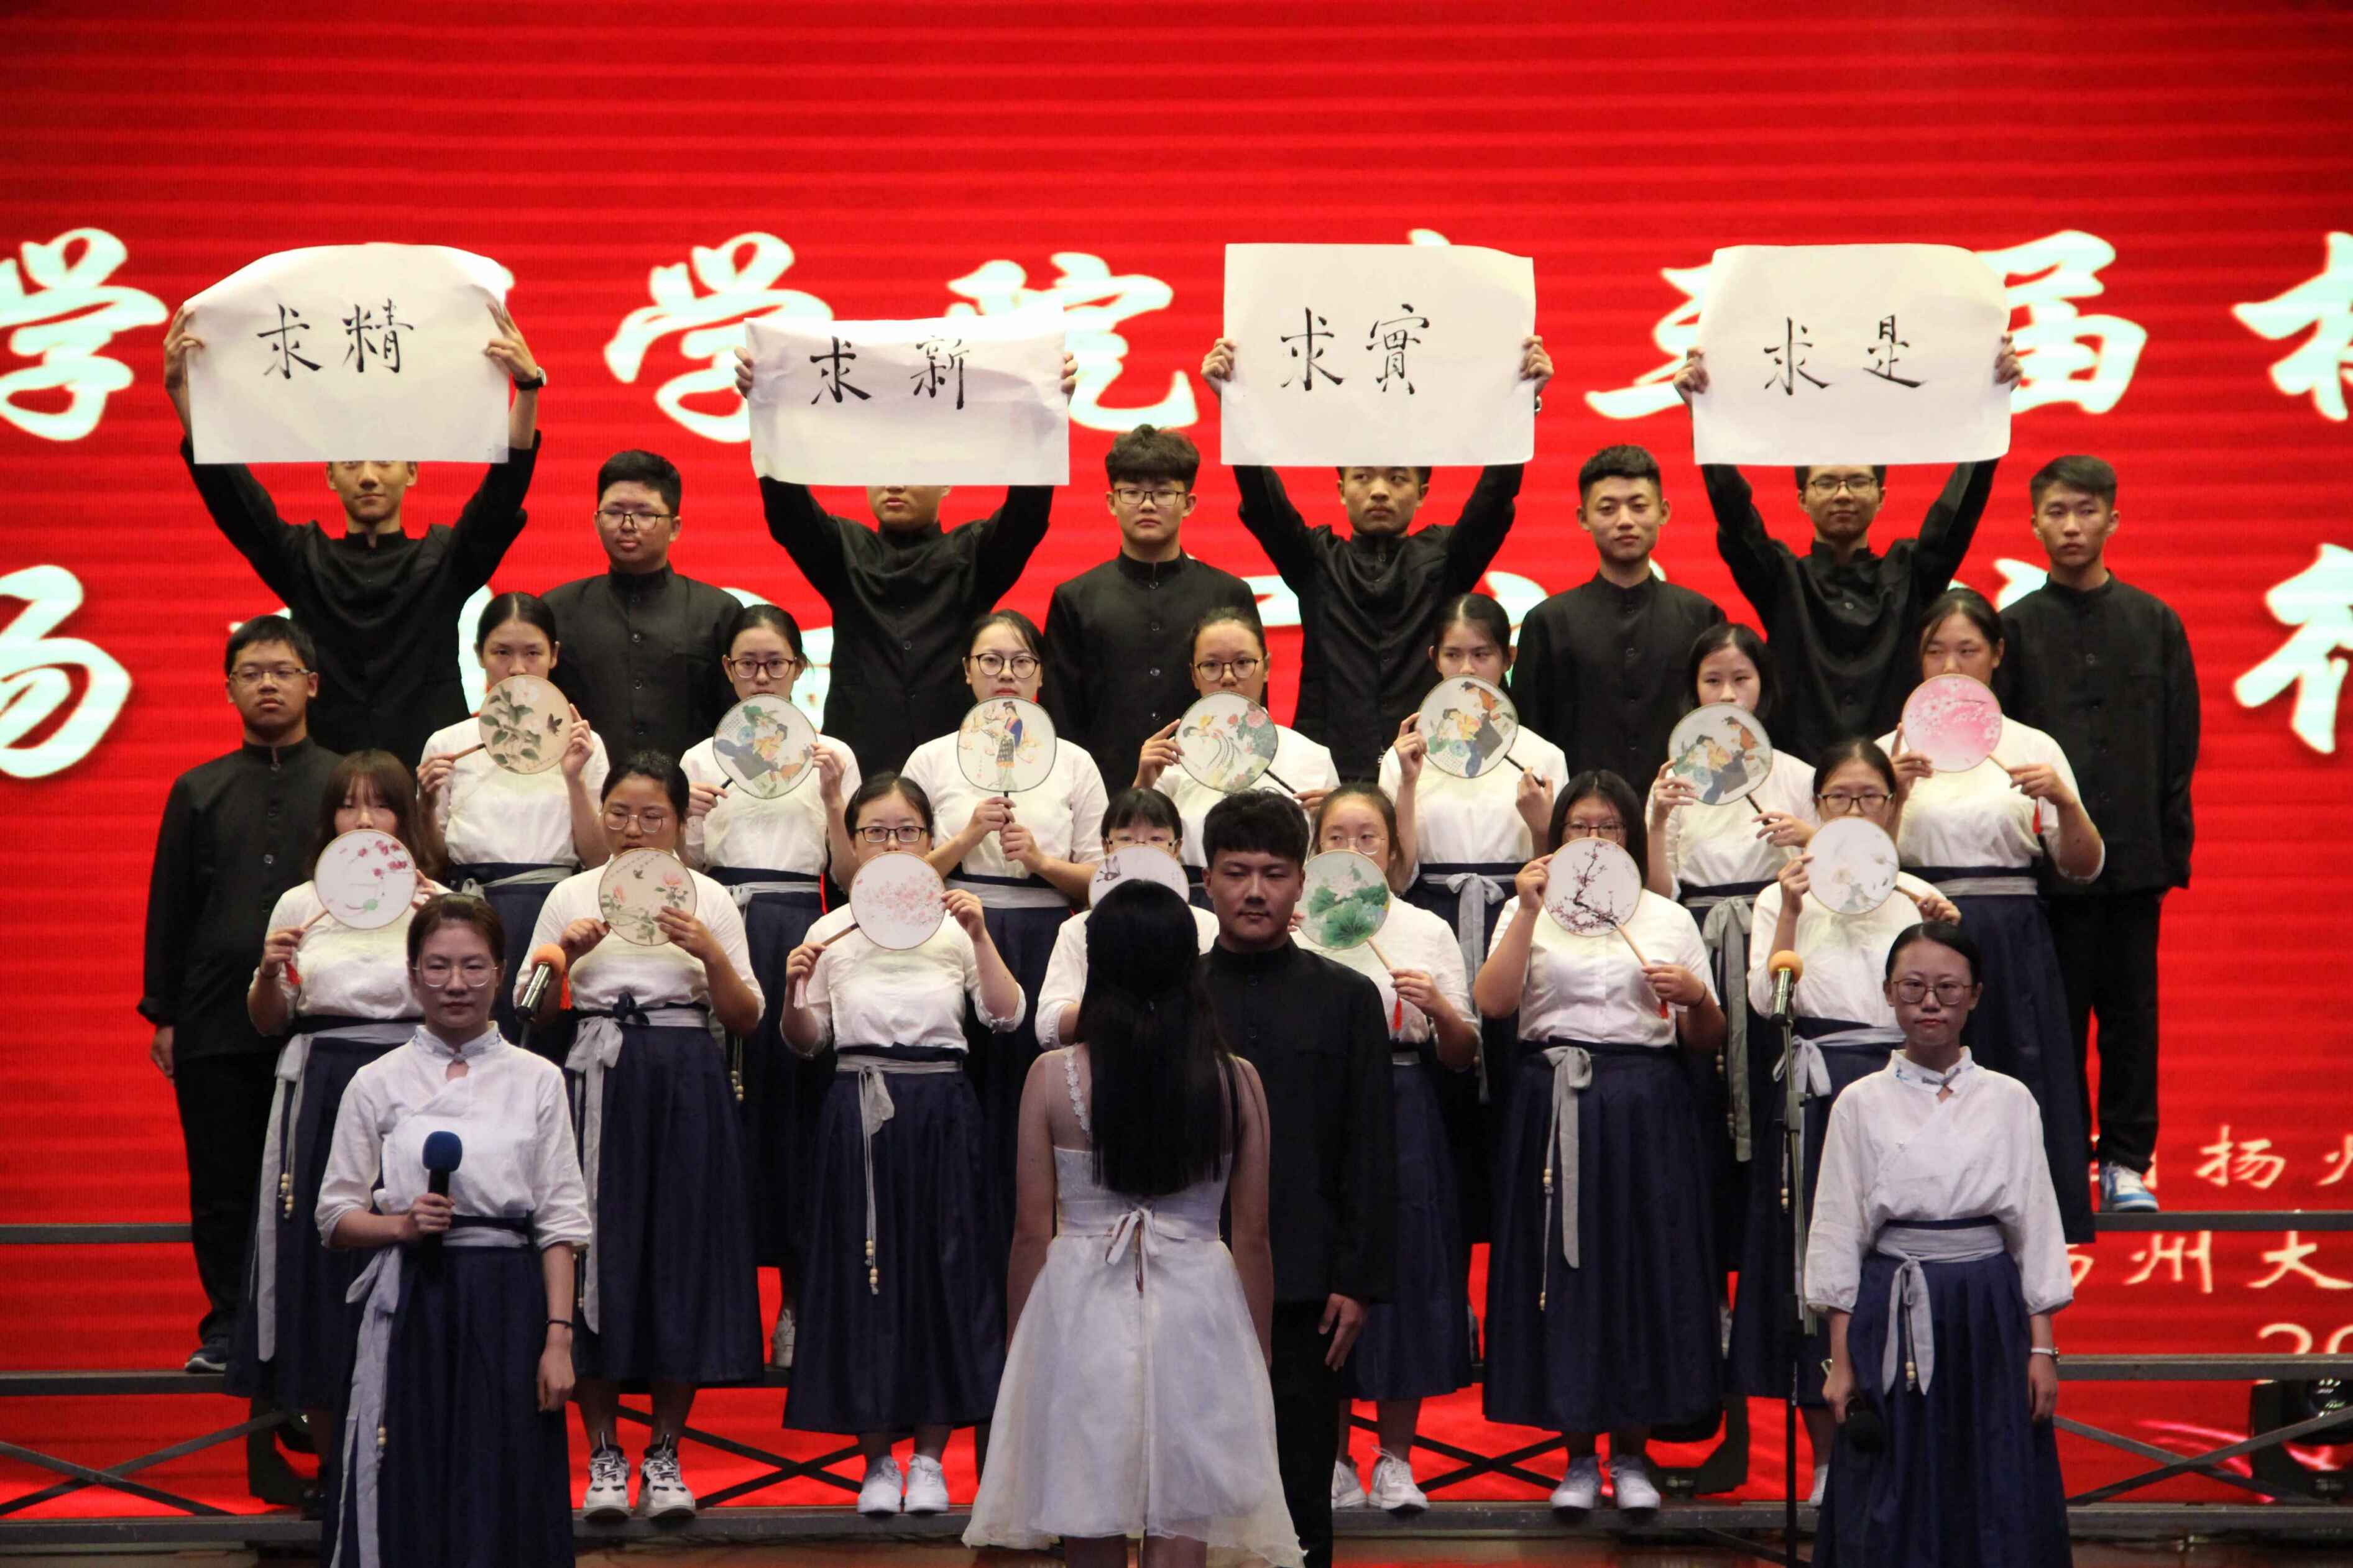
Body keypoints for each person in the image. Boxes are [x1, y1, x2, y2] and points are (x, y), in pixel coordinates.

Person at [964, 881, 1301, 1568]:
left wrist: (1023, 1348)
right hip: (1200, 1304)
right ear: (1189, 962)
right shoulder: (1236, 1080)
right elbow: (1252, 1235)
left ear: (1098, 964)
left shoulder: (1051, 1077)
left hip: (1081, 1304)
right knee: (1186, 1509)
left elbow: (1030, 1232)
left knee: (1086, 1502)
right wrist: (1257, 1351)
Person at [1473, 774, 1725, 1517]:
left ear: (1630, 838)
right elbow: (1492, 1003)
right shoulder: (1525, 909)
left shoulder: (1665, 916)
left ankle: (1632, 1454)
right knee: (1564, 1271)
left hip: (1645, 1103)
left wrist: (1693, 995)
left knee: (1641, 1268)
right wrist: (1526, 910)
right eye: (1578, 827)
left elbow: (1707, 1036)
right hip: (1551, 1098)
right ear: (1555, 838)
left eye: (1608, 827)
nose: (1592, 839)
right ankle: (1577, 1457)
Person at [522, 753, 763, 1521]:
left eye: (652, 815)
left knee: (680, 1255)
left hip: (686, 1073)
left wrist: (709, 951)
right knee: (595, 1254)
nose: (633, 829)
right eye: (619, 813)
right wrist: (566, 957)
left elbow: (746, 1017)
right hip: (596, 1074)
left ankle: (664, 1455)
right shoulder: (570, 893)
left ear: (682, 822)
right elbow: (529, 1010)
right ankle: (602, 1453)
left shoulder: (710, 898)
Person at [776, 774, 1025, 1517]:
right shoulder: (829, 930)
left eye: (907, 831)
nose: (892, 845)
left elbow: (1007, 1018)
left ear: (929, 839)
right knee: (864, 1277)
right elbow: (806, 1042)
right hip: (855, 1108)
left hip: (943, 1109)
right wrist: (792, 991)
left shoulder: (954, 924)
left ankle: (929, 1459)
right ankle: (877, 1462)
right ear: (852, 844)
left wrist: (981, 936)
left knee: (944, 1274)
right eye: (876, 832)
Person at [317, 894, 589, 1568]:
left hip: (508, 1299)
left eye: (473, 966)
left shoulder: (538, 1079)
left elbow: (559, 1219)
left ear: (500, 973)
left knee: (504, 1474)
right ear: (413, 974)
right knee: (413, 1469)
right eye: (438, 966)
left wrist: (558, 1339)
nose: (456, 983)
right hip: (415, 1298)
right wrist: (400, 1225)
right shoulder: (376, 1081)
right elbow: (335, 1216)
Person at [162, 301, 545, 766]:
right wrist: (183, 394)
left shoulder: (444, 560)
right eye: (350, 463)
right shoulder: (304, 560)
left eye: (383, 461)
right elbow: (235, 500)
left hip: (435, 777)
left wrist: (527, 388)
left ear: (412, 471)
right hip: (329, 781)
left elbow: (501, 496)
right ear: (328, 475)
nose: (367, 477)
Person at [1733, 739, 1959, 1506]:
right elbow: (1766, 1003)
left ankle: (1906, 1454)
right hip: (1816, 1089)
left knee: (1900, 1261)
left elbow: (1946, 1001)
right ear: (1815, 806)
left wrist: (1943, 930)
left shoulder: (1915, 893)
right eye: (1838, 797)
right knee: (1814, 1268)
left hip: (1902, 1086)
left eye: (1869, 797)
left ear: (1893, 808)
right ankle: (1827, 1461)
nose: (1854, 810)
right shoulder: (1780, 893)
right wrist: (1793, 911)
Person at [1810, 922, 2073, 1567]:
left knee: (1990, 1473)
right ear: (1888, 993)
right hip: (1890, 1305)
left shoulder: (2009, 1099)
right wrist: (1840, 1362)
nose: (1930, 1002)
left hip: (1986, 1307)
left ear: (1974, 995)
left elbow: (2034, 1227)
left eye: (1947, 988)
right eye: (1913, 987)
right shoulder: (1857, 1103)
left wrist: (2041, 1348)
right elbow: (1838, 1232)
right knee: (1892, 1480)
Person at [1199, 334, 1553, 781]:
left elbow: (1493, 502)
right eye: (1363, 477)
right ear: (1340, 489)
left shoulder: (1445, 559)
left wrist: (1520, 406)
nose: (1380, 491)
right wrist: (1234, 406)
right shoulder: (1316, 561)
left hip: (1430, 765)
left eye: (1398, 478)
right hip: (1326, 773)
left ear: (1422, 492)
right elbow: (1265, 505)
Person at [229, 751, 446, 1477]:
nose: (362, 820)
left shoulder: (435, 902)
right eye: (347, 806)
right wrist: (268, 972)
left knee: (419, 1261)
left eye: (379, 804)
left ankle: (416, 1460)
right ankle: (333, 1464)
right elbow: (268, 1019)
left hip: (414, 1086)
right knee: (320, 1267)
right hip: (321, 1084)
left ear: (405, 818)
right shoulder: (301, 904)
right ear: (328, 821)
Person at [1196, 791, 1394, 1568]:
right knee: (1191, 1490)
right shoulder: (1173, 998)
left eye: (1273, 874)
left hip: (1307, 1283)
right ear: (1206, 881)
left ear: (1301, 882)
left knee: (1300, 1490)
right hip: (1189, 1275)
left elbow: (1370, 1146)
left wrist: (1357, 1278)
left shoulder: (1347, 999)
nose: (1254, 892)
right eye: (1236, 872)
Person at [142, 617, 342, 1380]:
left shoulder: (342, 786)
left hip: (320, 1016)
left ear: (311, 684)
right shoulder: (198, 789)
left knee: (317, 1177)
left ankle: (312, 1322)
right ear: (228, 687)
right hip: (214, 1018)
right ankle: (228, 1325)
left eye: (282, 671)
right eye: (251, 672)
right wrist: (166, 1015)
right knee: (223, 1182)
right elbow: (170, 909)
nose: (267, 685)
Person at [2001, 456, 2198, 1214]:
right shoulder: (2013, 630)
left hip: (2134, 862)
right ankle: (2057, 1164)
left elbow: (2178, 745)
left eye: (2085, 511)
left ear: (2112, 519)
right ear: (2033, 523)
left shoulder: (2153, 622)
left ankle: (2124, 1163)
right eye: (2056, 512)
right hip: (2047, 870)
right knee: (2053, 1023)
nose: (2071, 526)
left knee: (2129, 1018)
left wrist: (2165, 854)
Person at [1672, 337, 2022, 764]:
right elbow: (1735, 515)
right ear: (1802, 498)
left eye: (1857, 482)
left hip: (1895, 776)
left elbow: (1957, 512)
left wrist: (1992, 407)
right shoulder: (1781, 579)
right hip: (1799, 780)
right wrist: (1704, 419)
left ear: (1881, 496)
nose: (1842, 494)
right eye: (1826, 482)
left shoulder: (1911, 573)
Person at [735, 347, 1079, 776]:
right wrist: (766, 409)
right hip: (858, 764)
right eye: (881, 468)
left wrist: (1046, 414)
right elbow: (789, 513)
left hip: (958, 765)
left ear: (947, 482)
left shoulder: (974, 553)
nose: (894, 483)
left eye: (911, 468)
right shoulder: (843, 549)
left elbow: (1026, 515)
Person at [1882, 590, 2102, 1244]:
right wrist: (1893, 794)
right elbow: (1860, 866)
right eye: (1935, 651)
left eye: (1967, 650)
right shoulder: (1888, 749)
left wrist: (2064, 800)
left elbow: (2082, 866)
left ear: (1996, 655)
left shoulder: (2031, 745)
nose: (1950, 666)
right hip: (1916, 930)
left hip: (2009, 934)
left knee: (2014, 1077)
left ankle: (2024, 1247)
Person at [681, 603, 859, 1367]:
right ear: (728, 671)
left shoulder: (831, 754)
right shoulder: (698, 759)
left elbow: (850, 876)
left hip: (797, 925)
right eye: (747, 663)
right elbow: (682, 873)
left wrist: (833, 800)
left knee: (795, 1117)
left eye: (775, 663)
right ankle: (719, 1316)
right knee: (722, 1117)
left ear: (799, 669)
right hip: (718, 926)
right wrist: (686, 823)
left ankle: (795, 1307)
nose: (761, 676)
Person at [900, 611, 1108, 1259]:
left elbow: (1102, 879)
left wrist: (1041, 861)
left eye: (1020, 661)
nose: (1005, 674)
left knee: (1038, 1096)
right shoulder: (932, 758)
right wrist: (967, 836)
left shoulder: (1074, 762)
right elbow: (896, 879)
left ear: (1040, 674)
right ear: (966, 672)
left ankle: (1042, 1249)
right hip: (956, 930)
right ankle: (959, 1251)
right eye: (990, 661)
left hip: (1046, 934)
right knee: (966, 1091)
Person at [1298, 788, 1477, 1518]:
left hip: (1403, 1102)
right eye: (1335, 837)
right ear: (1314, 849)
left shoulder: (1424, 929)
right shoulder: (1295, 925)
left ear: (1393, 850)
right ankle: (1331, 1457)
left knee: (1406, 1271)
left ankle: (1396, 1459)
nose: (1352, 850)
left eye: (1366, 837)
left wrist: (1437, 1008)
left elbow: (1463, 1054)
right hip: (1315, 1110)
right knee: (1322, 1273)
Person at [1378, 593, 1567, 1281]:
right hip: (1430, 918)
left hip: (1514, 920)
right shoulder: (1405, 750)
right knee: (1441, 1098)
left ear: (1506, 659)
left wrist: (1541, 823)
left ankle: (1518, 1290)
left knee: (1514, 1097)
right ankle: (1444, 1292)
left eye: (1481, 654)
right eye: (1453, 655)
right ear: (1432, 660)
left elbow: (1556, 869)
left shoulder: (1541, 752)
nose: (1467, 668)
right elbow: (1394, 874)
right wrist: (1405, 781)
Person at [1643, 624, 1818, 1278]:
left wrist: (1809, 836)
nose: (1725, 694)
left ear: (1762, 688)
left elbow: (1843, 872)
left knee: (1772, 1092)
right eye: (1711, 680)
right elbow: (1658, 893)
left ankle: (1775, 1276)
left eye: (1739, 680)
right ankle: (1705, 1280)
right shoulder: (1672, 780)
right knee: (1702, 1101)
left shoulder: (1796, 774)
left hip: (1773, 940)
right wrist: (1657, 819)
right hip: (1698, 942)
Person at [417, 592, 609, 1047]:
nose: (518, 668)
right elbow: (434, 860)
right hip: (472, 909)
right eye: (502, 652)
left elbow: (598, 857)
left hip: (555, 909)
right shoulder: (448, 744)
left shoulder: (583, 744)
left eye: (533, 653)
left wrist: (574, 777)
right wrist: (424, 803)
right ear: (479, 655)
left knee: (546, 1042)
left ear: (554, 655)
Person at [1043, 424, 1259, 791]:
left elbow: (1251, 708)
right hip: (1105, 794)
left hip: (1209, 788)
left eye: (1163, 493)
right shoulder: (1075, 599)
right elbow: (1061, 717)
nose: (1147, 504)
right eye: (1132, 492)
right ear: (1111, 502)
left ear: (1189, 503)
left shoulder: (1229, 594)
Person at [1511, 444, 1726, 786]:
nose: (1625, 521)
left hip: (1683, 809)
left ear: (1663, 512)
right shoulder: (1547, 623)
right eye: (1607, 509)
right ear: (1583, 518)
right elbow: (1528, 741)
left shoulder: (1702, 617)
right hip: (1577, 813)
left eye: (1639, 506)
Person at [541, 451, 741, 764]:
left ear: (675, 527)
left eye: (645, 514)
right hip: (582, 789)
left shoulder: (720, 613)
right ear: (596, 521)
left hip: (694, 791)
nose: (628, 525)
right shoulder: (556, 610)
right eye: (614, 512)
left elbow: (739, 720)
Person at [1138, 606, 1337, 887]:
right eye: (1211, 666)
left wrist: (1337, 820)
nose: (1228, 676)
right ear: (1193, 675)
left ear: (1266, 667)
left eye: (1243, 663)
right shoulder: (1167, 760)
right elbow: (1134, 859)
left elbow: (1336, 864)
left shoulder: (1313, 757)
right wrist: (1142, 785)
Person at [1034, 789, 1222, 1052]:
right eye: (1126, 839)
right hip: (1101, 1058)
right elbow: (1048, 1026)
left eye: (1156, 839)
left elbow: (1216, 1014)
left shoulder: (1207, 924)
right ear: (1106, 846)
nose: (1140, 849)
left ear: (1177, 848)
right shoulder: (1076, 928)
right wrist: (1114, 1005)